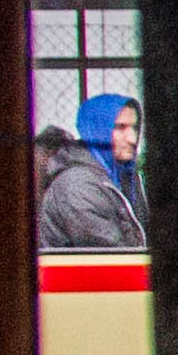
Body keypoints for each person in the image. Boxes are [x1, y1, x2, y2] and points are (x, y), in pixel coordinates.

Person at [38, 92, 143, 247]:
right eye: (120, 128)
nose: (132, 139)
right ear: (98, 131)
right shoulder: (77, 185)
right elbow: (115, 257)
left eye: (134, 128)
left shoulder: (124, 177)